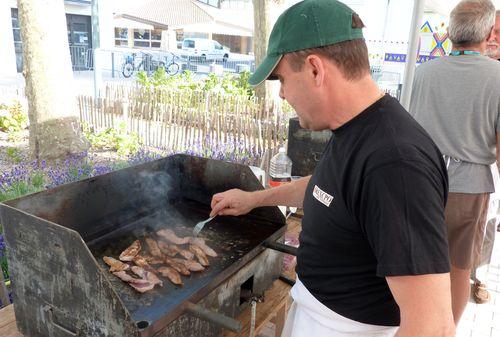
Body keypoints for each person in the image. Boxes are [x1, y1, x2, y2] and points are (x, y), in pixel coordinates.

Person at [210, 1, 455, 336]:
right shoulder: (356, 128)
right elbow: (330, 188)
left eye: (281, 79)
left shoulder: (396, 163)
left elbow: (433, 327)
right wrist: (254, 199)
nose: (281, 94)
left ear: (315, 69)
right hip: (316, 312)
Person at [409, 0, 500, 324]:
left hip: (422, 183)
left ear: (450, 32)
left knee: (416, 263)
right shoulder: (498, 76)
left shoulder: (425, 72)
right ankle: (445, 330)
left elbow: (411, 132)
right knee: (458, 270)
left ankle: (414, 324)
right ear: (489, 33)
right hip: (469, 190)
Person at [470, 9, 500, 305]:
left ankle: (480, 278)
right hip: (458, 169)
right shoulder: (465, 67)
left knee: (486, 228)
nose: (494, 39)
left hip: (489, 170)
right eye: (493, 31)